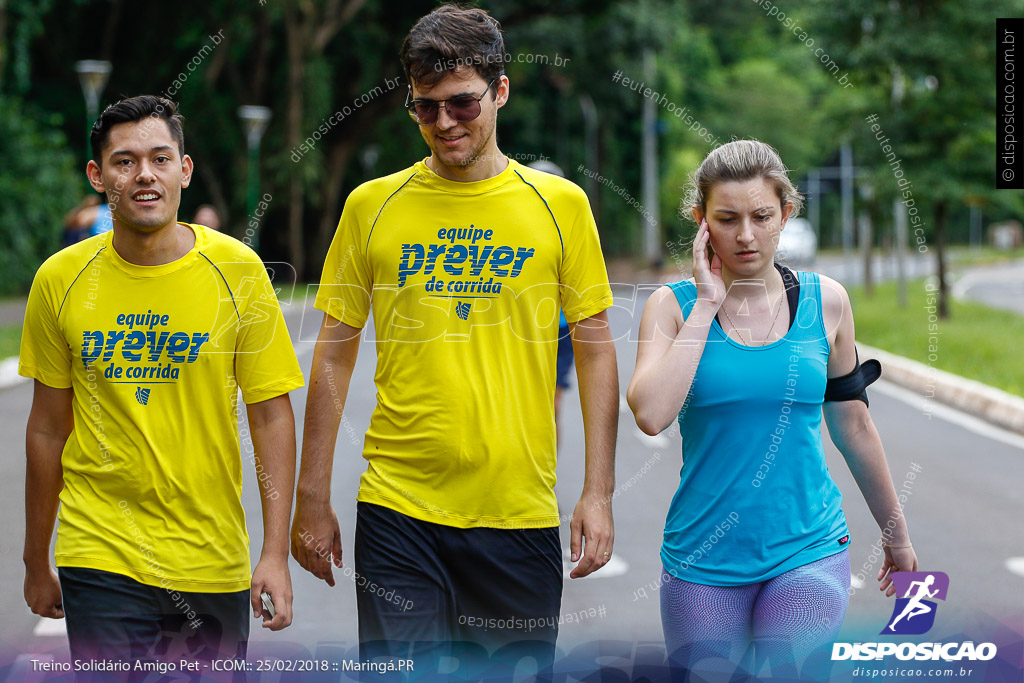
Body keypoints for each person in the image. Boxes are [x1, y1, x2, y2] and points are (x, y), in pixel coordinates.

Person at [289, 4, 618, 676]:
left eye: (462, 104)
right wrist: (312, 495)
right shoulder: (371, 205)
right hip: (398, 511)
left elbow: (594, 346)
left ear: (500, 91)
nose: (444, 123)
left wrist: (598, 492)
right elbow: (333, 352)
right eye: (425, 107)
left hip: (518, 512)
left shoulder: (560, 207)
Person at [20, 95, 303, 678]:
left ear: (185, 169)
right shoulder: (60, 279)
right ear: (98, 176)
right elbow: (48, 429)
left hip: (209, 556)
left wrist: (274, 552)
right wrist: (34, 558)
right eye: (124, 161)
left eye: (160, 158)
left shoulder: (239, 271)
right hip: (98, 551)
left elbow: (271, 415)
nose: (144, 174)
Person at [626, 139, 917, 673]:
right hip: (703, 557)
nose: (745, 235)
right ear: (700, 221)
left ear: (786, 212)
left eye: (761, 216)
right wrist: (707, 304)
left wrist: (895, 533)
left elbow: (853, 425)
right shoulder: (671, 307)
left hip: (808, 546)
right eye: (726, 218)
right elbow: (650, 414)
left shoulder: (826, 301)